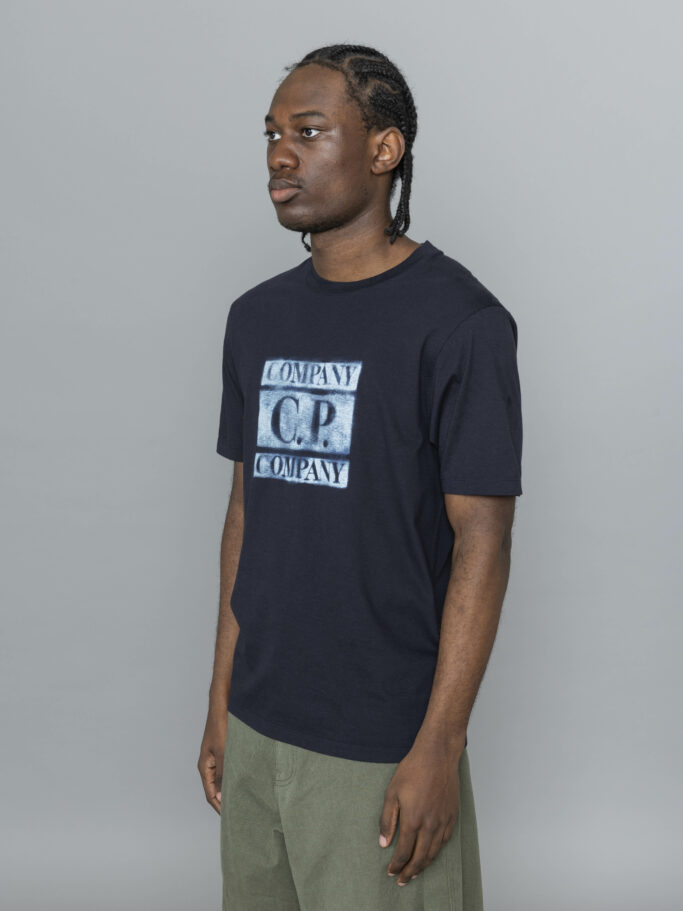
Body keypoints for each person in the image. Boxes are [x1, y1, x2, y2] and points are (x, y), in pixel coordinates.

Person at [197, 43, 523, 911]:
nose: (280, 154)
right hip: (258, 723)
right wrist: (221, 695)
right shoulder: (255, 318)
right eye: (271, 134)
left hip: (379, 739)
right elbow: (247, 512)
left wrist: (438, 744)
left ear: (384, 149)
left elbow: (482, 542)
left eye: (308, 131)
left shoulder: (461, 323)